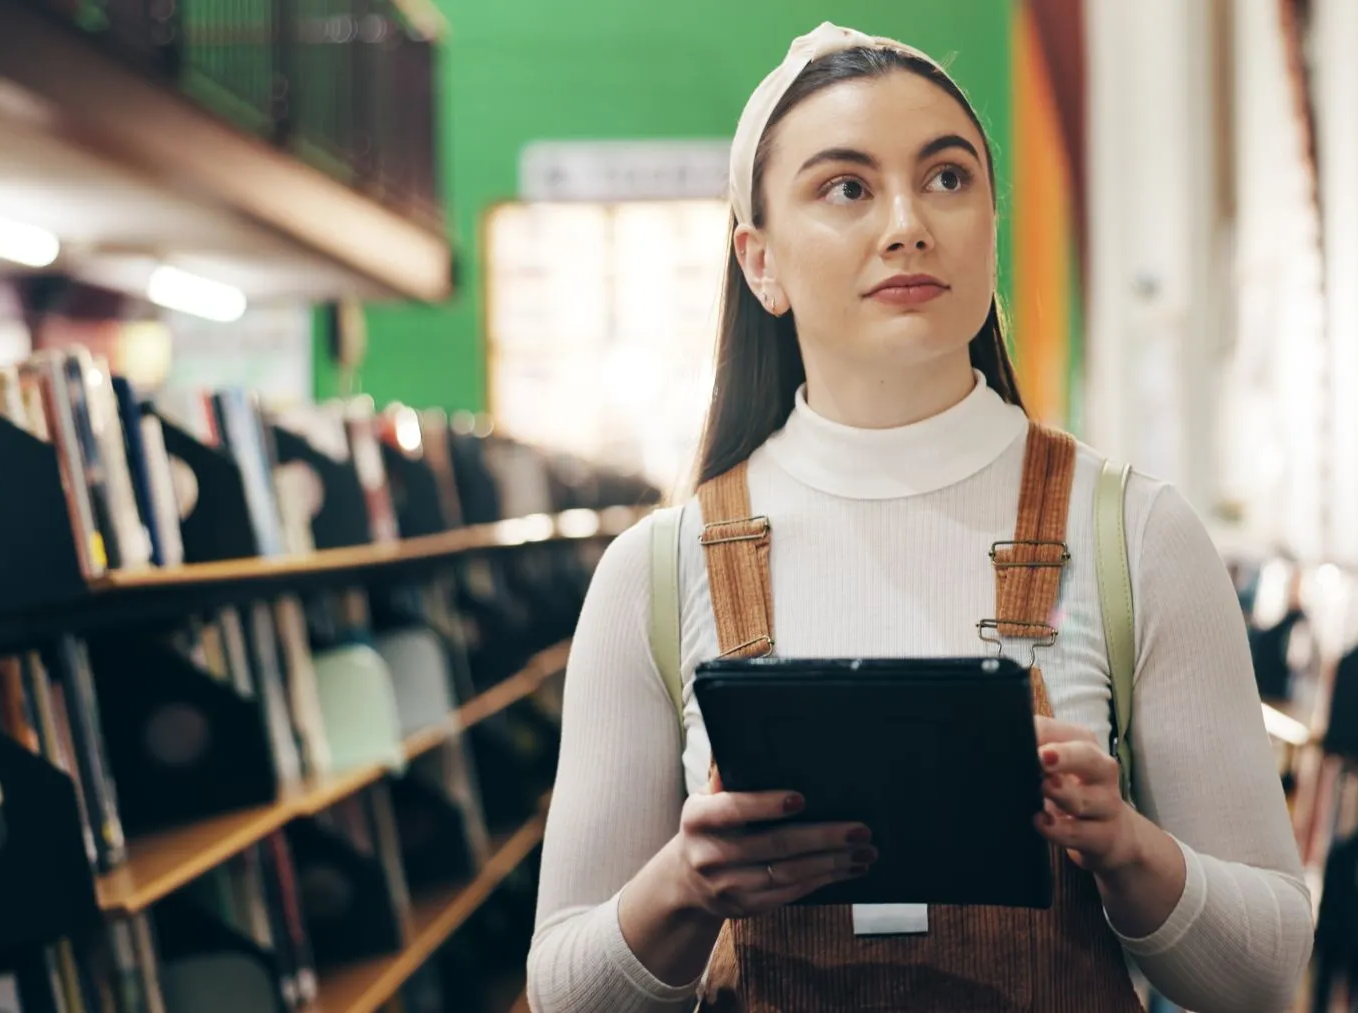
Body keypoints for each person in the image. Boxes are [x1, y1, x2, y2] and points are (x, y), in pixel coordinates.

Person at [526, 22, 1311, 1013]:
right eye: (846, 187)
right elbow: (562, 992)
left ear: (990, 219)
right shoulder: (660, 567)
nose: (908, 222)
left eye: (947, 178)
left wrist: (1127, 845)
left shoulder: (1133, 533)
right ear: (759, 261)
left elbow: (1267, 968)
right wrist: (683, 882)